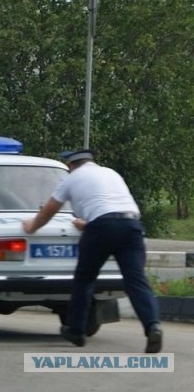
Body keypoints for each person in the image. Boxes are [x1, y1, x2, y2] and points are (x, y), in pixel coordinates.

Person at [22, 149, 163, 354]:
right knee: (136, 280)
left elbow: (49, 210)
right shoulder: (111, 173)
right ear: (90, 161)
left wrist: (32, 226)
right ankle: (153, 326)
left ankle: (77, 331)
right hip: (131, 226)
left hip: (100, 227)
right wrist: (89, 224)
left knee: (85, 278)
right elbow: (110, 207)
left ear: (71, 165)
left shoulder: (72, 179)